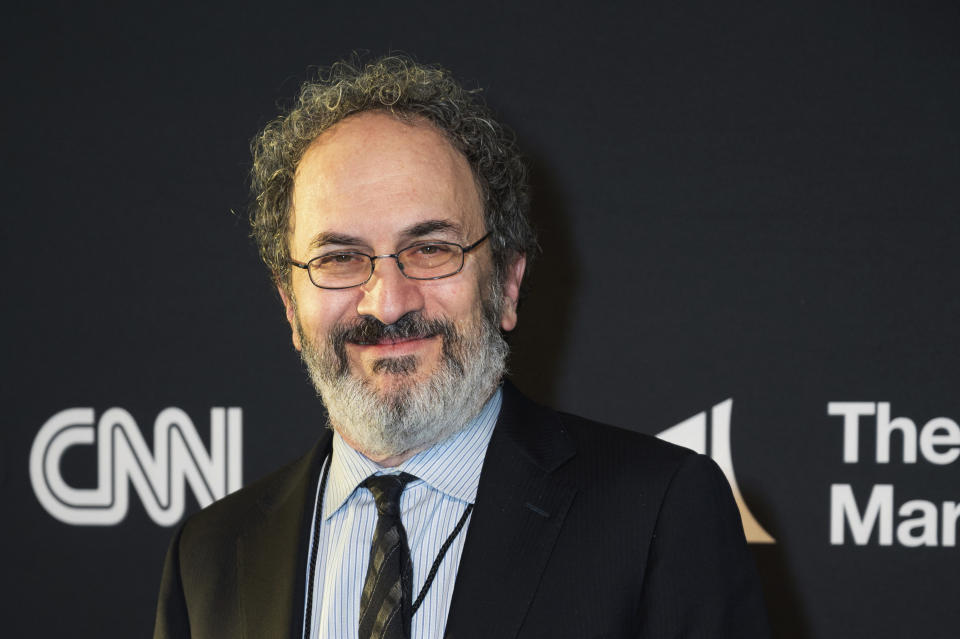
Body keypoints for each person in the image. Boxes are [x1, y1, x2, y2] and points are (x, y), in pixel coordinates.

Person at [154, 55, 770, 639]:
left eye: (430, 249)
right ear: (290, 305)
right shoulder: (208, 555)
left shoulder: (658, 516)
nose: (387, 303)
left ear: (505, 282)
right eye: (339, 258)